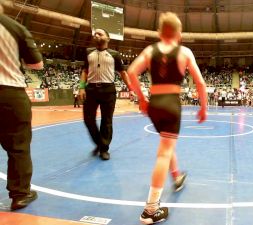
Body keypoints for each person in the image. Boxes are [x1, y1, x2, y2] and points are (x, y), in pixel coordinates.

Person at [127, 12, 207, 224]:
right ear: (179, 34)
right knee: (163, 152)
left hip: (154, 104)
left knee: (166, 143)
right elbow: (200, 83)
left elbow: (131, 72)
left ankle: (176, 175)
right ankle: (151, 210)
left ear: (159, 33)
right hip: (171, 104)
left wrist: (142, 99)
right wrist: (203, 108)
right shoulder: (185, 52)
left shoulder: (149, 50)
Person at [0, 1, 43, 210]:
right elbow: (37, 64)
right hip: (9, 92)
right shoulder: (15, 27)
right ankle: (20, 194)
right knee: (18, 148)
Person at [79, 28, 132, 160]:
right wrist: (81, 88)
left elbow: (123, 73)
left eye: (100, 33)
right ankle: (99, 143)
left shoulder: (115, 54)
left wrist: (131, 88)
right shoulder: (88, 52)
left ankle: (104, 149)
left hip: (108, 90)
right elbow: (85, 71)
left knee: (106, 121)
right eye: (95, 33)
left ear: (107, 38)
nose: (96, 35)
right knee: (88, 119)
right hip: (91, 89)